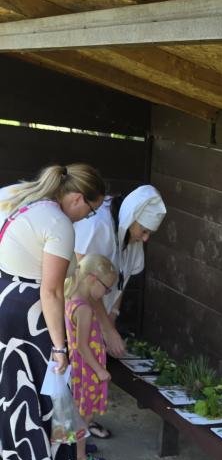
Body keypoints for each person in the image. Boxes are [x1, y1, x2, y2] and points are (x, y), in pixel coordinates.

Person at [0, 163, 105, 460]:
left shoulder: (21, 201)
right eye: (90, 210)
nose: (86, 218)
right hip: (30, 316)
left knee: (15, 397)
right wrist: (60, 348)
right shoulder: (58, 222)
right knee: (42, 400)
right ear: (77, 199)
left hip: (6, 301)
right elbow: (52, 291)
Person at [73, 184, 166, 435]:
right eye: (144, 231)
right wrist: (107, 329)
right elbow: (85, 283)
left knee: (90, 370)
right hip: (76, 309)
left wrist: (112, 317)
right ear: (131, 219)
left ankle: (83, 424)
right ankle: (72, 432)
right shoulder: (97, 226)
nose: (145, 238)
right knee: (78, 370)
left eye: (149, 233)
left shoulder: (130, 235)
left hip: (97, 312)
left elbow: (123, 280)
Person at [64, 255, 117, 460]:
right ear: (93, 279)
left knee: (78, 410)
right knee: (84, 414)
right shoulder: (84, 309)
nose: (106, 293)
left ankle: (77, 446)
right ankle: (80, 458)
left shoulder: (71, 298)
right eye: (106, 288)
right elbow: (82, 346)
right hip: (86, 370)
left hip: (78, 368)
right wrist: (100, 370)